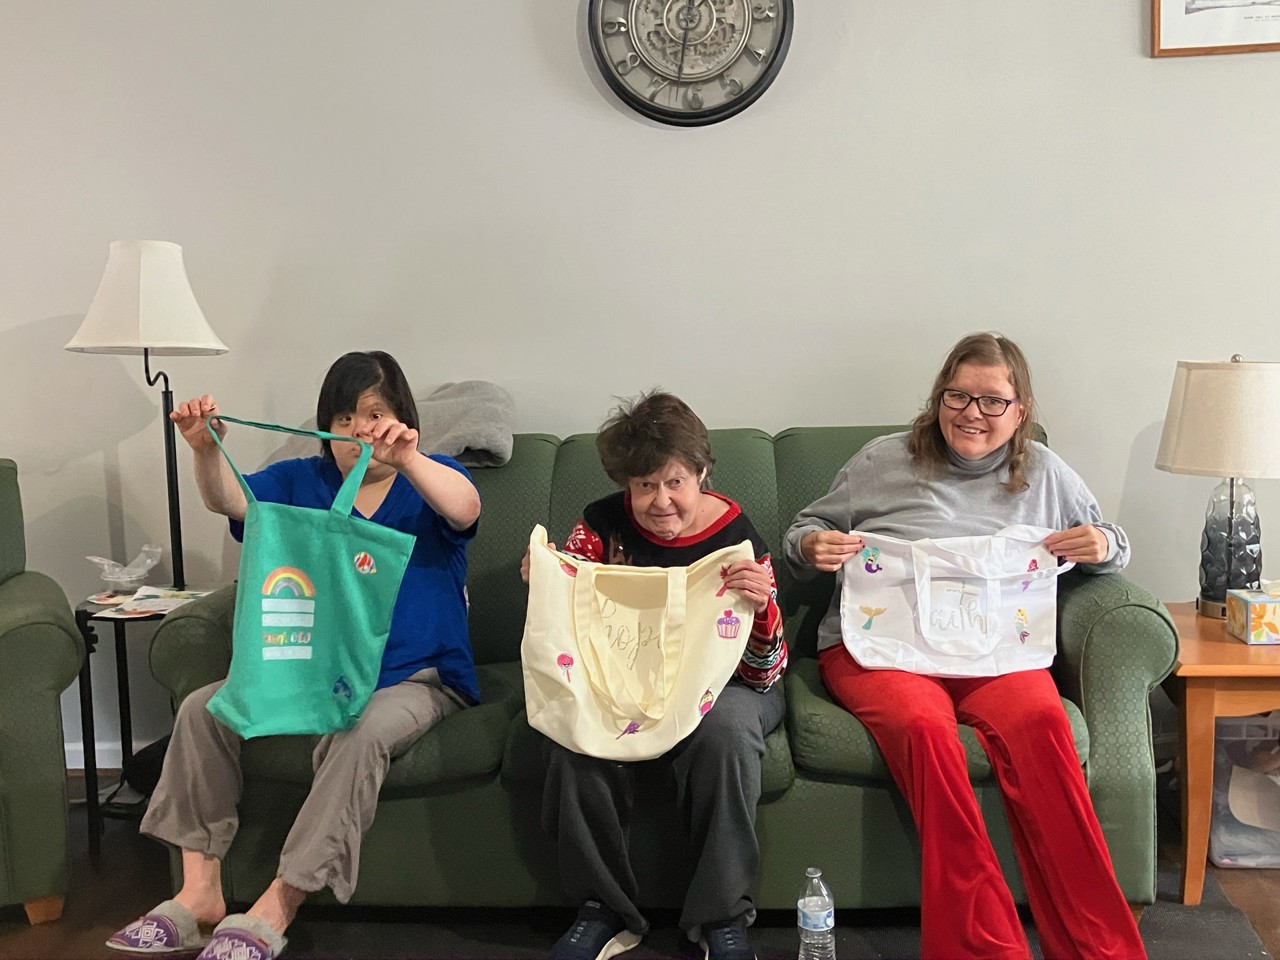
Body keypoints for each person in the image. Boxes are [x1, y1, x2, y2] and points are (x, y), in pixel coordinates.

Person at [107, 351, 482, 960]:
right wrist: (205, 449)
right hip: (314, 670)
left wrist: (409, 459)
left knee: (360, 734)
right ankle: (199, 894)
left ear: (402, 420)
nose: (358, 431)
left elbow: (466, 509)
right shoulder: (299, 480)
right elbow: (230, 503)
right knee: (205, 708)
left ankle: (282, 900)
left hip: (415, 678)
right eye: (343, 418)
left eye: (374, 414)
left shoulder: (429, 477)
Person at [783, 334, 1146, 960]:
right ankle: (986, 949)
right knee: (926, 730)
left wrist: (1102, 546)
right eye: (958, 395)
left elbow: (1111, 539)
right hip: (884, 650)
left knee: (1043, 725)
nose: (972, 413)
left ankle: (1102, 949)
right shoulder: (882, 460)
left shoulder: (1047, 474)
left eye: (992, 400)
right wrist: (812, 548)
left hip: (998, 654)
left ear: (1022, 408)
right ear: (937, 397)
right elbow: (804, 530)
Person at [519, 390, 787, 960]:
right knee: (574, 739)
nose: (660, 501)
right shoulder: (602, 524)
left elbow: (765, 674)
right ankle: (602, 910)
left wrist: (760, 609)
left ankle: (722, 918)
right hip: (622, 679)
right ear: (626, 485)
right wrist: (547, 579)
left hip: (730, 688)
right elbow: (569, 620)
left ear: (701, 475)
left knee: (728, 736)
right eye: (644, 486)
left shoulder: (737, 540)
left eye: (675, 483)